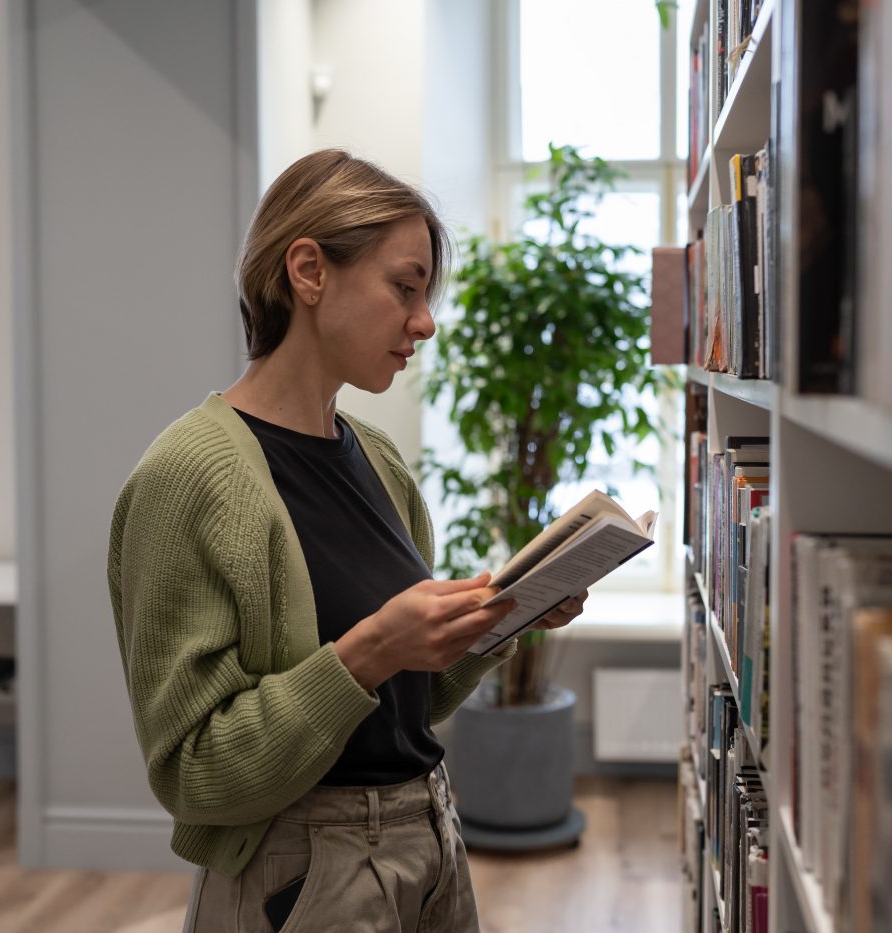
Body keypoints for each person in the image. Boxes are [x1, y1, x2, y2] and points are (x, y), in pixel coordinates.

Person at [107, 149, 588, 933]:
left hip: (429, 840)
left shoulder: (379, 460)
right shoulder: (189, 474)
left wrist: (505, 616)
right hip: (302, 873)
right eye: (404, 288)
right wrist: (369, 648)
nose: (425, 322)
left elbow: (412, 701)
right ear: (308, 271)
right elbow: (194, 771)